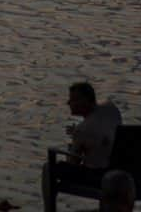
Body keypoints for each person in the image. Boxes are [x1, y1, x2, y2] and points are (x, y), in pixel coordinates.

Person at [42, 82, 123, 210]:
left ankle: (49, 209)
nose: (68, 103)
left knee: (48, 168)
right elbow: (102, 136)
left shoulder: (82, 129)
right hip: (119, 171)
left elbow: (73, 162)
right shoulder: (111, 108)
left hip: (97, 178)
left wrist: (74, 145)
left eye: (73, 100)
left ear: (85, 101)